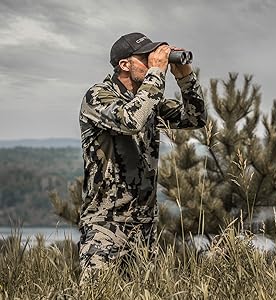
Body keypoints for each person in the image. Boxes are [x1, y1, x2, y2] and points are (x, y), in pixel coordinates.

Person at [78, 32, 207, 278]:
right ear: (124, 65)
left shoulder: (149, 100)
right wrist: (157, 73)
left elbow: (195, 118)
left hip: (144, 226)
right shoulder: (97, 97)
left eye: (154, 57)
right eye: (145, 57)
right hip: (106, 225)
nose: (152, 61)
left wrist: (186, 78)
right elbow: (131, 120)